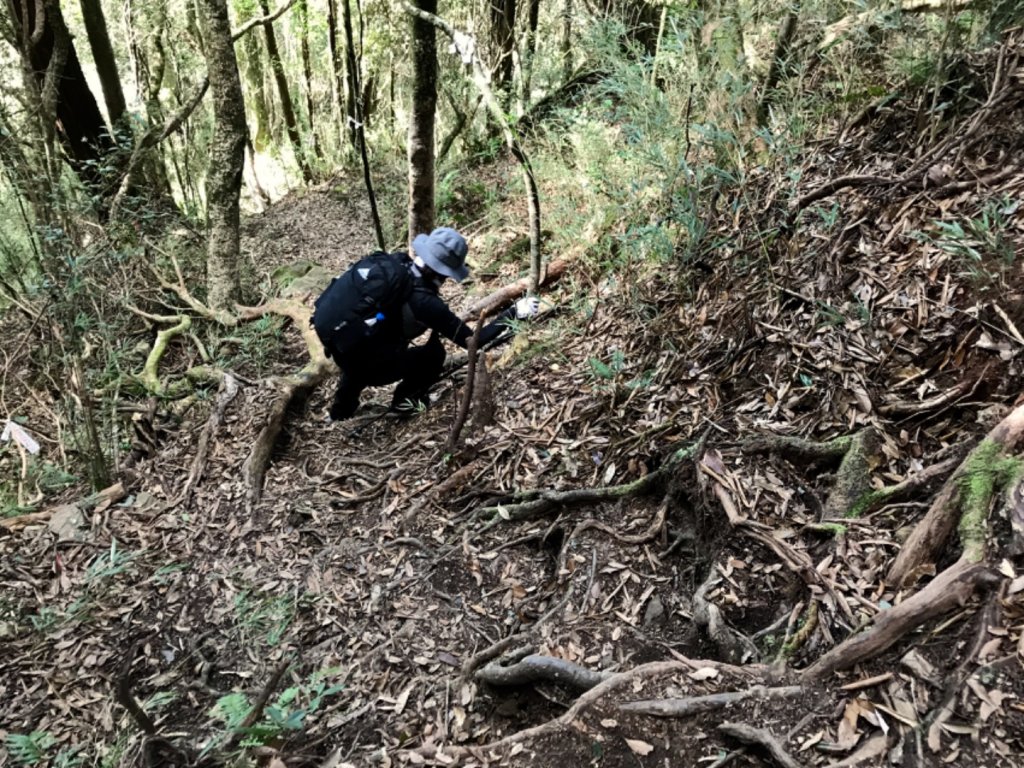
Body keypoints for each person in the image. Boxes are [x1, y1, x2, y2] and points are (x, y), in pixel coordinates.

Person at [326, 227, 539, 421]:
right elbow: (474, 341)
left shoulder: (396, 264)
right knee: (434, 356)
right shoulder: (426, 303)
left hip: (342, 347)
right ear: (444, 272)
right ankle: (405, 403)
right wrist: (515, 312)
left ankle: (339, 413)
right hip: (371, 367)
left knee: (366, 341)